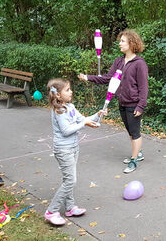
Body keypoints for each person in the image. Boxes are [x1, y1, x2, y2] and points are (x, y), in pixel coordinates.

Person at [78, 29, 149, 174]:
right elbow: (107, 79)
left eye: (122, 41)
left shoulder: (139, 63)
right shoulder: (118, 61)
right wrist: (88, 77)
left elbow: (143, 87)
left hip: (134, 104)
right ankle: (138, 153)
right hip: (122, 102)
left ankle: (134, 160)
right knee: (130, 131)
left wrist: (141, 105)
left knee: (135, 133)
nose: (120, 44)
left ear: (131, 43)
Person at [44, 78, 101, 225]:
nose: (71, 91)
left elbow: (82, 119)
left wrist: (97, 115)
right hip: (63, 150)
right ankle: (51, 211)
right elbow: (66, 130)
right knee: (70, 180)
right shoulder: (59, 110)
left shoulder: (70, 107)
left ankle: (69, 208)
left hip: (74, 148)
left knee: (68, 179)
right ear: (58, 95)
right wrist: (84, 123)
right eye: (67, 90)